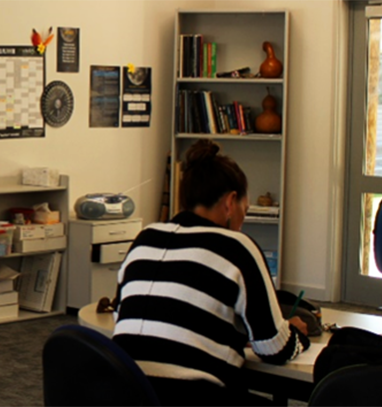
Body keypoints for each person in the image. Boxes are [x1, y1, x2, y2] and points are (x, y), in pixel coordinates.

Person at [111, 139, 310, 406]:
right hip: (195, 397)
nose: (242, 220)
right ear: (230, 202)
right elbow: (274, 348)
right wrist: (297, 335)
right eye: (244, 210)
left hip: (128, 393)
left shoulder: (145, 238)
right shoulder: (237, 247)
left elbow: (120, 315)